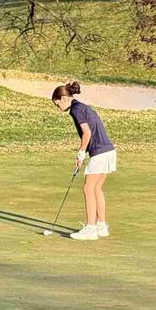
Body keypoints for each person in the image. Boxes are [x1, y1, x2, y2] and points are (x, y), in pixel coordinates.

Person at [51, 81, 116, 241]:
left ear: (63, 98)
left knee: (88, 189)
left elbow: (87, 133)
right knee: (96, 188)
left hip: (100, 152)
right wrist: (84, 153)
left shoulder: (76, 110)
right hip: (108, 150)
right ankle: (101, 226)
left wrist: (80, 153)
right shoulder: (83, 107)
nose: (57, 107)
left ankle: (91, 229)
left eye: (57, 103)